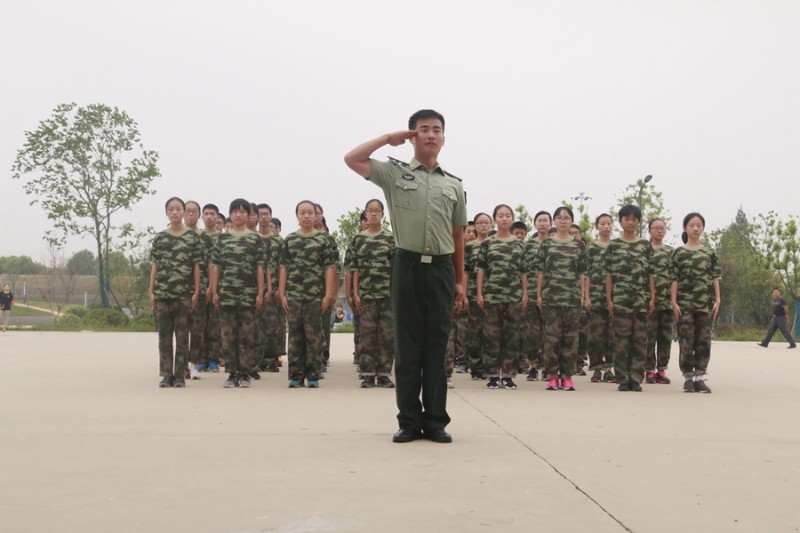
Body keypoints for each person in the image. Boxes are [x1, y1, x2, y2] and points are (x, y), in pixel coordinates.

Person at [344, 109, 467, 444]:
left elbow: (458, 237)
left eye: (436, 130)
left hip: (441, 268)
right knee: (408, 346)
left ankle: (436, 421)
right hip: (407, 265)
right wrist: (388, 138)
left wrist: (460, 280)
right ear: (412, 136)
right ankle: (409, 422)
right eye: (423, 129)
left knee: (437, 345)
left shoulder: (454, 185)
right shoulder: (394, 174)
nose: (430, 135)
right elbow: (352, 158)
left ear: (444, 138)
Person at [277, 200, 338, 388]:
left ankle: (313, 375)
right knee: (295, 335)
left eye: (310, 212)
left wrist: (328, 294)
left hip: (315, 295)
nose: (306, 216)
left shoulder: (324, 240)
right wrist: (282, 293)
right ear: (297, 215)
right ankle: (296, 375)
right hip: (294, 295)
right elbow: (284, 267)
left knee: (314, 336)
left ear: (316, 215)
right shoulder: (290, 239)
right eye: (302, 212)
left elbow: (330, 268)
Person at [209, 198, 266, 388]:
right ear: (230, 214)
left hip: (248, 294)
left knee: (246, 335)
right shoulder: (222, 238)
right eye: (235, 211)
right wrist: (214, 291)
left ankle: (244, 373)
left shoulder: (255, 238)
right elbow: (215, 266)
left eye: (242, 212)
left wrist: (260, 292)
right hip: (226, 293)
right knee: (228, 335)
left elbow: (260, 267)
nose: (238, 215)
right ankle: (231, 372)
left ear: (248, 215)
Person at [149, 197, 202, 388]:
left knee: (182, 336)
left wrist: (196, 291)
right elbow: (154, 265)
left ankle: (180, 374)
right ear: (166, 212)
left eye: (178, 209)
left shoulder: (192, 237)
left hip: (184, 294)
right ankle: (166, 374)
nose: (174, 212)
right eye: (170, 209)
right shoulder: (161, 237)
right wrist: (151, 290)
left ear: (183, 212)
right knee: (164, 337)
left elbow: (197, 266)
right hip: (163, 293)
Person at [476, 204, 528, 389]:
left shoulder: (519, 244)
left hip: (513, 295)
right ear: (495, 219)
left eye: (507, 215)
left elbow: (523, 270)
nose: (504, 219)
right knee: (491, 336)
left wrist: (524, 292)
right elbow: (481, 269)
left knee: (511, 336)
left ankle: (507, 375)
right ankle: (491, 374)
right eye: (501, 215)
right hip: (492, 295)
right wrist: (480, 293)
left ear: (512, 219)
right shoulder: (488, 244)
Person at [536, 206, 587, 391]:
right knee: (551, 338)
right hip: (551, 297)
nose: (563, 220)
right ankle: (552, 376)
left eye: (566, 217)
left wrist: (582, 295)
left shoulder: (578, 245)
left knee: (571, 338)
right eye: (559, 217)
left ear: (571, 221)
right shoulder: (547, 244)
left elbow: (582, 273)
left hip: (572, 298)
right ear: (554, 221)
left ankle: (567, 376)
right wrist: (539, 294)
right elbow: (540, 271)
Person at [605, 205, 655, 392]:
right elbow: (608, 274)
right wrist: (609, 299)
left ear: (638, 222)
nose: (631, 222)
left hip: (640, 300)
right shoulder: (614, 246)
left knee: (640, 341)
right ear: (620, 221)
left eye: (634, 219)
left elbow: (650, 274)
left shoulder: (644, 246)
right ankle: (622, 378)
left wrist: (652, 298)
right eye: (627, 219)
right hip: (620, 300)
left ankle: (636, 377)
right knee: (621, 342)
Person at [670, 212, 721, 393]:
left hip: (705, 304)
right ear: (685, 228)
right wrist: (674, 302)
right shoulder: (679, 253)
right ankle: (688, 378)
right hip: (685, 305)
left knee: (704, 341)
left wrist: (718, 299)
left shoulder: (709, 252)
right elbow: (674, 279)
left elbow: (715, 277)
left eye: (699, 225)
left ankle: (700, 376)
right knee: (686, 341)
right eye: (691, 225)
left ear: (703, 228)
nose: (695, 228)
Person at [351, 199, 396, 388]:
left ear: (383, 215)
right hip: (366, 293)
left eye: (377, 211)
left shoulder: (391, 238)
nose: (374, 214)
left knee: (387, 335)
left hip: (387, 294)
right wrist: (355, 292)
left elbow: (396, 268)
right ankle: (368, 373)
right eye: (370, 211)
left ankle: (384, 373)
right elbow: (354, 268)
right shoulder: (359, 239)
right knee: (367, 334)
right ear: (366, 214)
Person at [645, 217, 676, 382]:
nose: (659, 230)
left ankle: (661, 370)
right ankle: (649, 369)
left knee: (665, 338)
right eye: (655, 228)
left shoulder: (671, 252)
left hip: (666, 303)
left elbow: (675, 278)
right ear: (649, 230)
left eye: (662, 228)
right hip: (649, 303)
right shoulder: (644, 250)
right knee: (648, 338)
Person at [585, 213, 614, 383]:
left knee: (612, 335)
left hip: (614, 297)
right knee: (595, 335)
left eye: (609, 223)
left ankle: (609, 368)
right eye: (602, 223)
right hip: (595, 296)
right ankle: (596, 368)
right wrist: (586, 296)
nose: (606, 226)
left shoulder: (616, 246)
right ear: (597, 226)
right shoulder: (591, 248)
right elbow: (586, 274)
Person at [524, 211, 552, 381]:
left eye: (545, 220)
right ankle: (533, 366)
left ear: (550, 224)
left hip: (551, 295)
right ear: (535, 224)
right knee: (532, 333)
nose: (542, 223)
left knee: (550, 333)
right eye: (539, 220)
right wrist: (526, 292)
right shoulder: (528, 246)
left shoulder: (555, 244)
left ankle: (549, 367)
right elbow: (524, 271)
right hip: (532, 294)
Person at [465, 213, 493, 380]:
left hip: (493, 293)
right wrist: (466, 293)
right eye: (479, 223)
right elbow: (466, 271)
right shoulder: (469, 247)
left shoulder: (495, 244)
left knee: (492, 332)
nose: (483, 225)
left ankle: (491, 366)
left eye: (486, 222)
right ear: (474, 226)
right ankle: (476, 366)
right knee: (475, 331)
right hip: (474, 292)